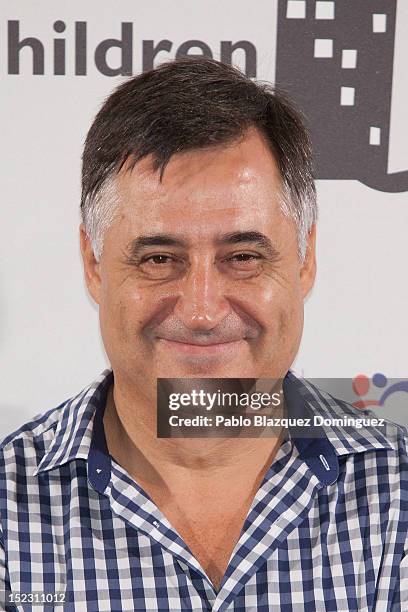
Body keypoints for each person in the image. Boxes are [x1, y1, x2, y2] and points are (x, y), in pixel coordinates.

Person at [1, 57, 407, 611]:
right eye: (159, 257)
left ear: (305, 258)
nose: (201, 311)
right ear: (93, 263)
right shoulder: (7, 510)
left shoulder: (399, 497)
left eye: (242, 256)